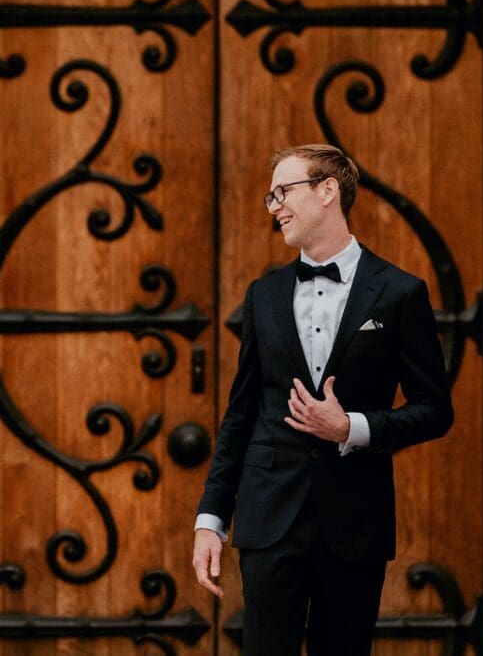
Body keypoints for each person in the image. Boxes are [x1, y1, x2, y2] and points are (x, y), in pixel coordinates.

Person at [192, 145, 454, 655]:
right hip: (270, 517)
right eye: (271, 197)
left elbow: (434, 409)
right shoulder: (262, 296)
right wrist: (211, 520)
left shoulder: (400, 293)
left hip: (355, 521)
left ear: (327, 191)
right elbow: (241, 414)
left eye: (282, 192)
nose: (274, 207)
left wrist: (351, 428)